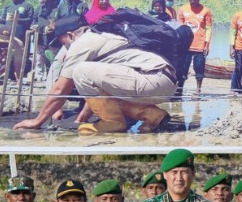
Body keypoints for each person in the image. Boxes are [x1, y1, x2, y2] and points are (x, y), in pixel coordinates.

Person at [15, 16, 176, 134]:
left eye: (61, 41)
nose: (62, 47)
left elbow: (61, 89)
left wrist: (37, 121)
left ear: (71, 35)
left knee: (80, 71)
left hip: (151, 79)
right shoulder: (102, 36)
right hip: (161, 80)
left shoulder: (82, 43)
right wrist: (81, 118)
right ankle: (153, 115)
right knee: (91, 79)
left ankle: (114, 122)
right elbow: (98, 93)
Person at [173, 0, 215, 96]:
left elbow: (209, 28)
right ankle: (179, 90)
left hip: (200, 45)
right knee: (182, 70)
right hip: (186, 45)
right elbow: (179, 28)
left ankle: (198, 89)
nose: (192, 1)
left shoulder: (206, 11)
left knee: (199, 69)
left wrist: (207, 44)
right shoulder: (183, 9)